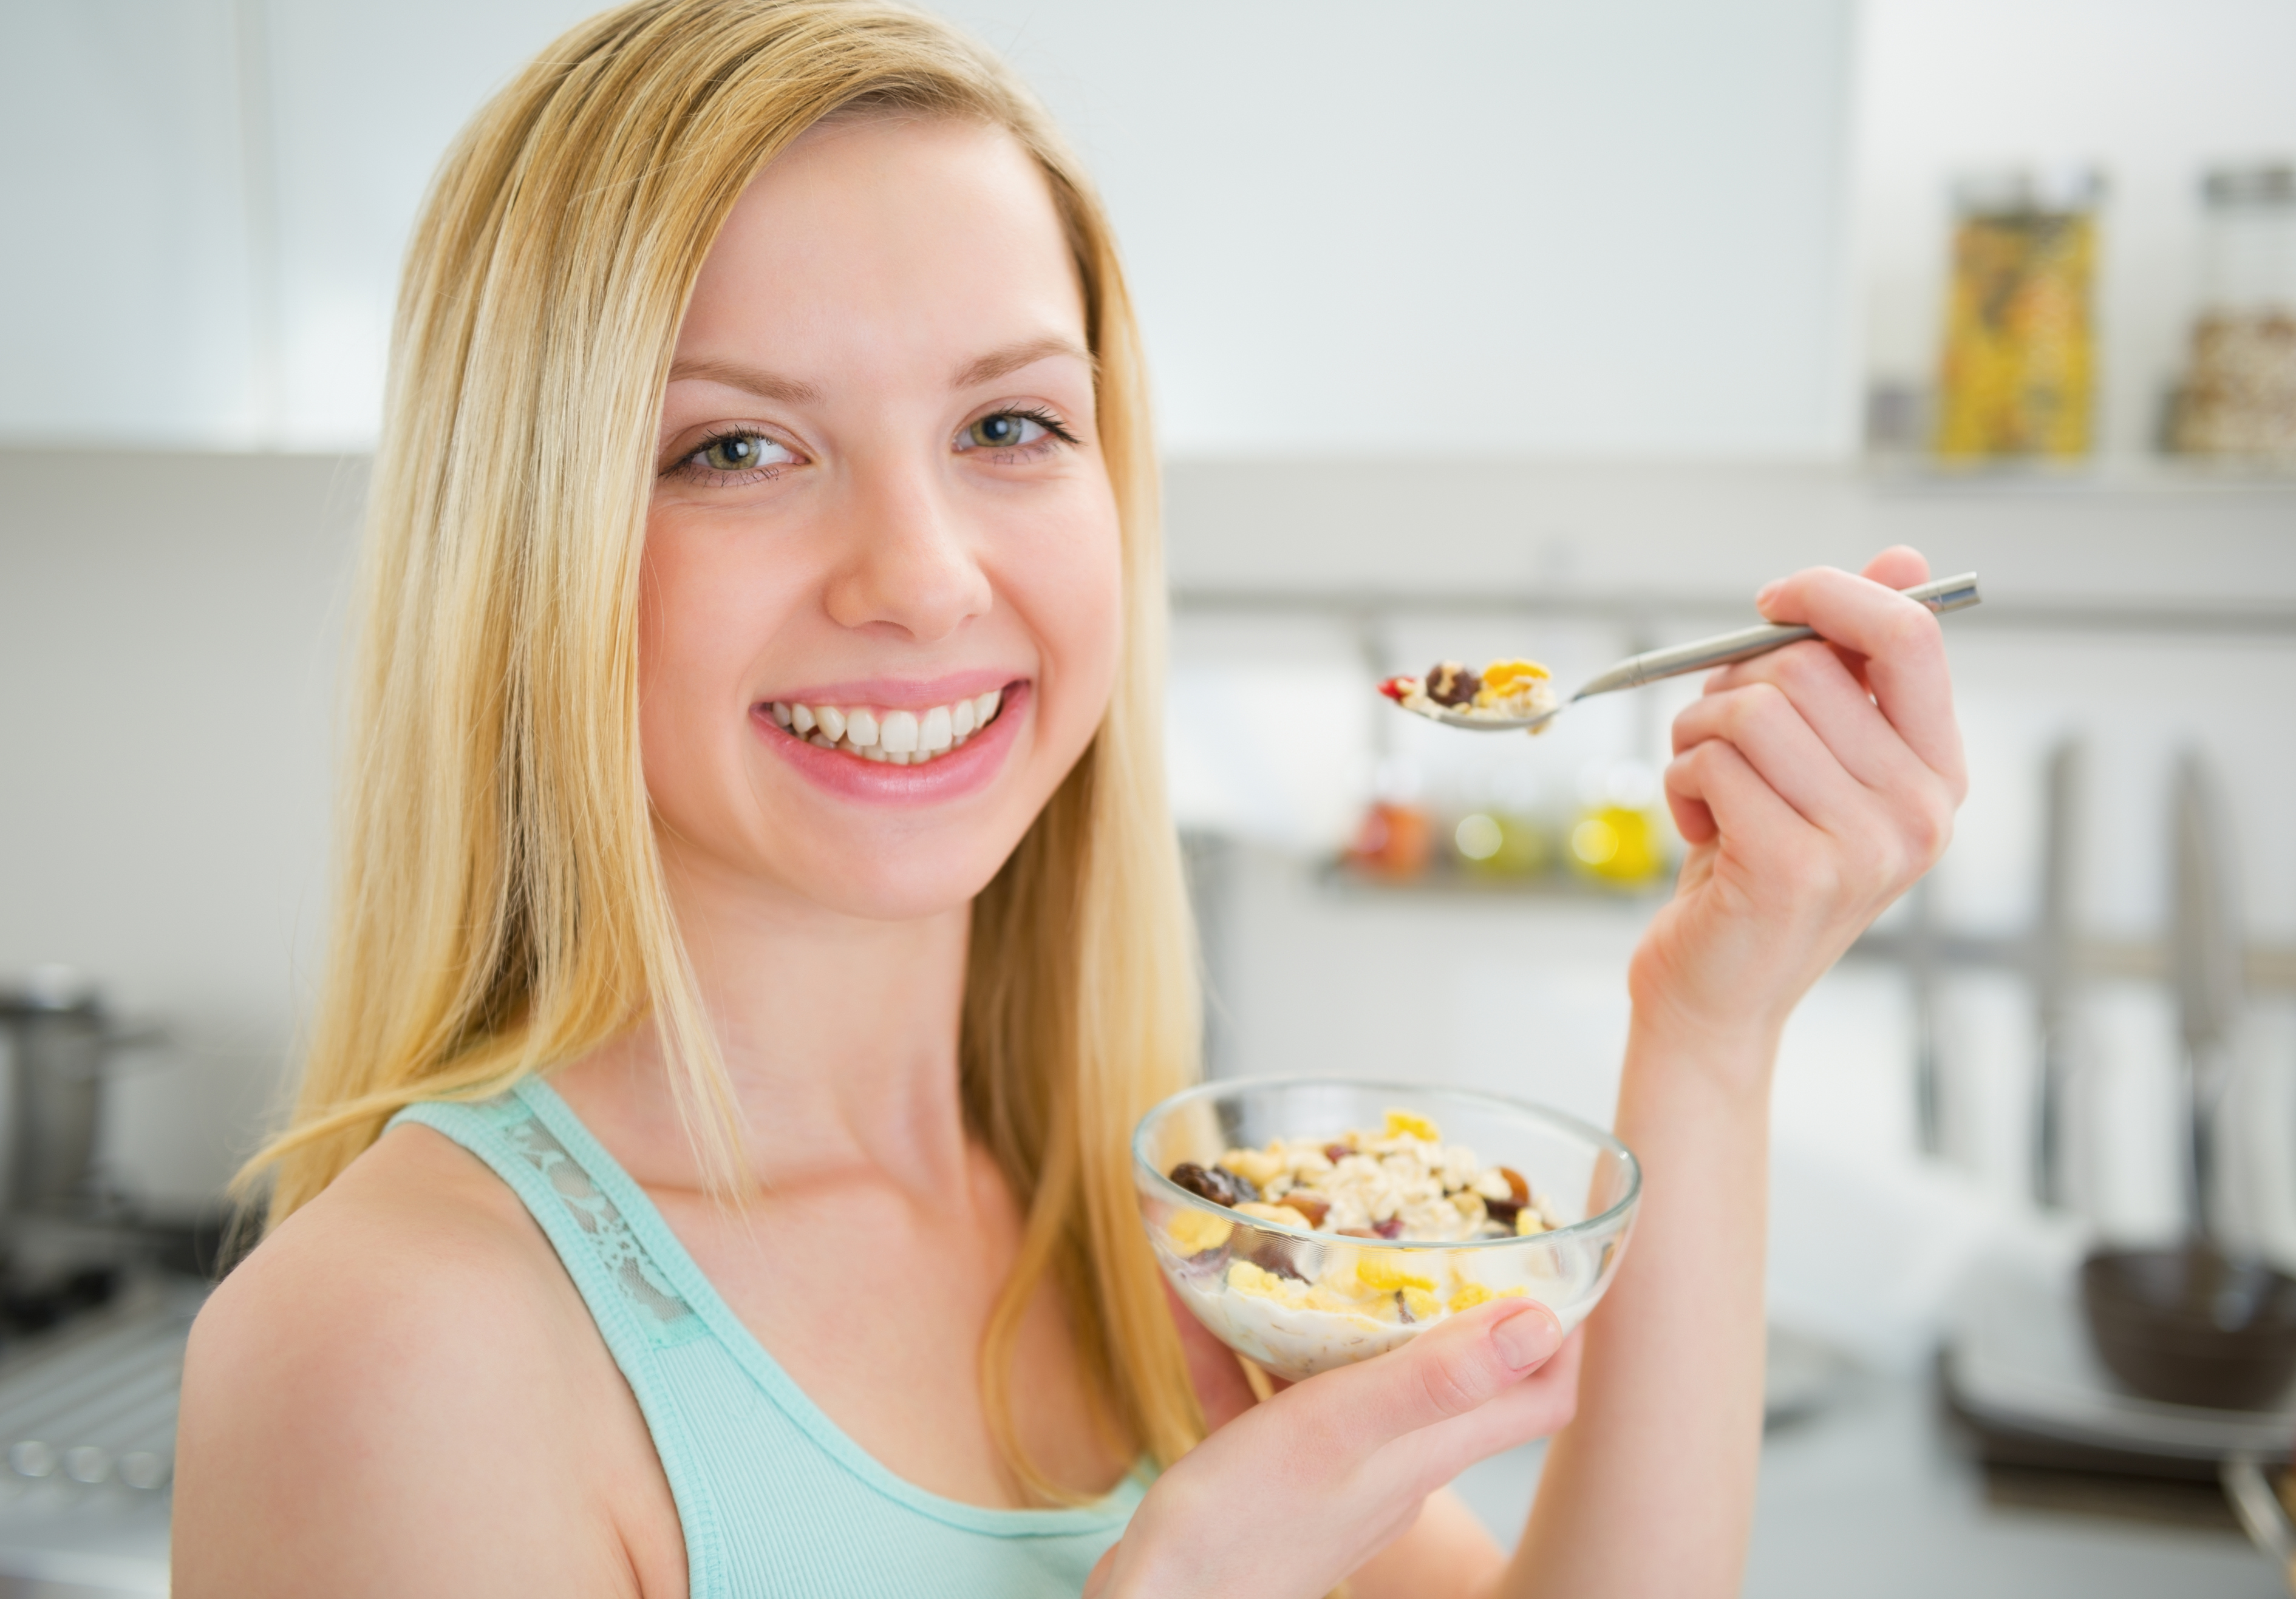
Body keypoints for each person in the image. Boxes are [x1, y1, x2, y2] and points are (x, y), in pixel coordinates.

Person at [172, 3, 1966, 1595]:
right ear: (524, 550)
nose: (925, 576)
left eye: (1010, 427)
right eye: (736, 446)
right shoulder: (391, 1350)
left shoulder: (1148, 1241)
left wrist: (1714, 1028)